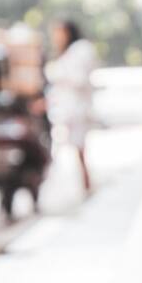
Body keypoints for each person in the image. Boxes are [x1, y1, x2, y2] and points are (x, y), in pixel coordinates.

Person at [43, 20, 98, 193]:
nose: (56, 38)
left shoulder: (80, 50)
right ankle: (81, 184)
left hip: (76, 110)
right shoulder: (68, 54)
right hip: (65, 110)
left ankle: (85, 184)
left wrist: (60, 76)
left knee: (77, 149)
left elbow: (79, 79)